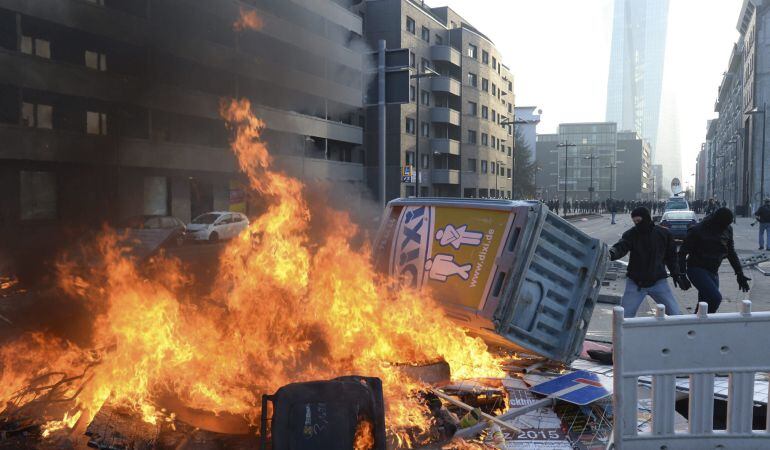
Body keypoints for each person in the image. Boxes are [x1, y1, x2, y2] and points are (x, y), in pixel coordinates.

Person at [609, 207, 690, 317]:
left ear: (646, 218)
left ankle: (679, 334)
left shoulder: (663, 234)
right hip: (636, 282)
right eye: (634, 222)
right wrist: (612, 253)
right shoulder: (631, 234)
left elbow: (671, 257)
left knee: (675, 314)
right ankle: (623, 335)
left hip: (658, 281)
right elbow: (622, 246)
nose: (637, 224)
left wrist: (677, 274)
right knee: (624, 317)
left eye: (638, 221)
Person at [679, 207, 751, 314]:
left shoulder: (727, 229)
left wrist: (739, 273)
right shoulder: (698, 230)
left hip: (713, 271)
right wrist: (682, 275)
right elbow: (681, 253)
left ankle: (696, 325)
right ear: (717, 222)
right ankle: (705, 323)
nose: (725, 227)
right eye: (724, 225)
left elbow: (731, 253)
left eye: (728, 224)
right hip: (696, 268)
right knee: (715, 298)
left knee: (705, 302)